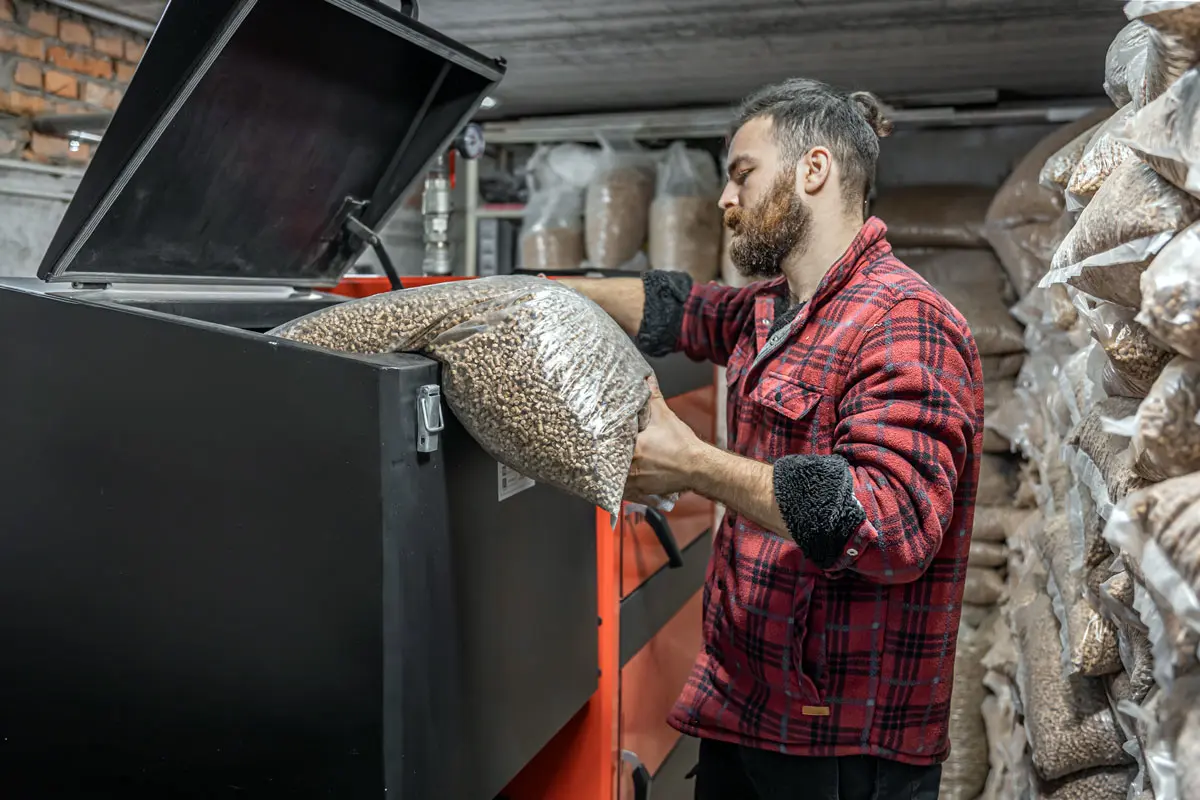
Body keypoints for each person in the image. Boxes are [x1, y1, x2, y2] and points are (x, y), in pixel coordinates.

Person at [560, 79, 983, 800]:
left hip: (839, 745)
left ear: (812, 170)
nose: (726, 199)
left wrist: (691, 463)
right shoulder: (777, 308)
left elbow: (888, 523)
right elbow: (685, 310)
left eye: (742, 173)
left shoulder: (905, 321)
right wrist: (553, 291)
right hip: (749, 711)